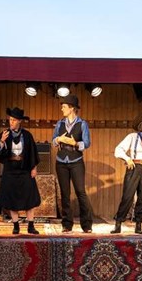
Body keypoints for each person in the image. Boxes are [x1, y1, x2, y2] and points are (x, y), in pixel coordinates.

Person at [0, 107, 41, 235]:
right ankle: (16, 226)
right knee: (12, 199)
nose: (11, 122)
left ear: (20, 121)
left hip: (24, 169)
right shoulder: (4, 134)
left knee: (29, 199)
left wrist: (34, 168)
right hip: (10, 170)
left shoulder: (27, 135)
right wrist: (2, 142)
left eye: (14, 120)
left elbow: (33, 153)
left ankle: (31, 226)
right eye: (10, 119)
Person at [51, 95, 94, 233]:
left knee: (81, 192)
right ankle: (67, 224)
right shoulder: (59, 124)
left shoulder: (82, 124)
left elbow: (87, 143)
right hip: (61, 161)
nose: (61, 108)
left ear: (72, 108)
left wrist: (74, 143)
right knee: (65, 194)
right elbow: (53, 142)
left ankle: (86, 225)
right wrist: (59, 139)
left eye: (64, 106)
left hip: (76, 161)